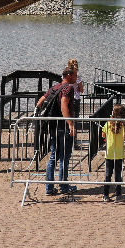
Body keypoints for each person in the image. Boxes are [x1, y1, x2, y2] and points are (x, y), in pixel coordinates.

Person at [39, 66, 80, 195]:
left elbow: (40, 102)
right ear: (68, 75)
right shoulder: (68, 88)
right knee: (64, 158)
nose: (76, 78)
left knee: (53, 157)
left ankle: (49, 188)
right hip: (62, 128)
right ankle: (63, 186)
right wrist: (70, 124)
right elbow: (64, 105)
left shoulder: (54, 88)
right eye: (75, 76)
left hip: (53, 127)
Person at [101, 104, 125, 201]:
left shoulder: (108, 123)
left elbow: (103, 135)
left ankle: (105, 194)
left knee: (108, 174)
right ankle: (118, 195)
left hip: (109, 152)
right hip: (119, 153)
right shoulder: (124, 125)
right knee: (118, 175)